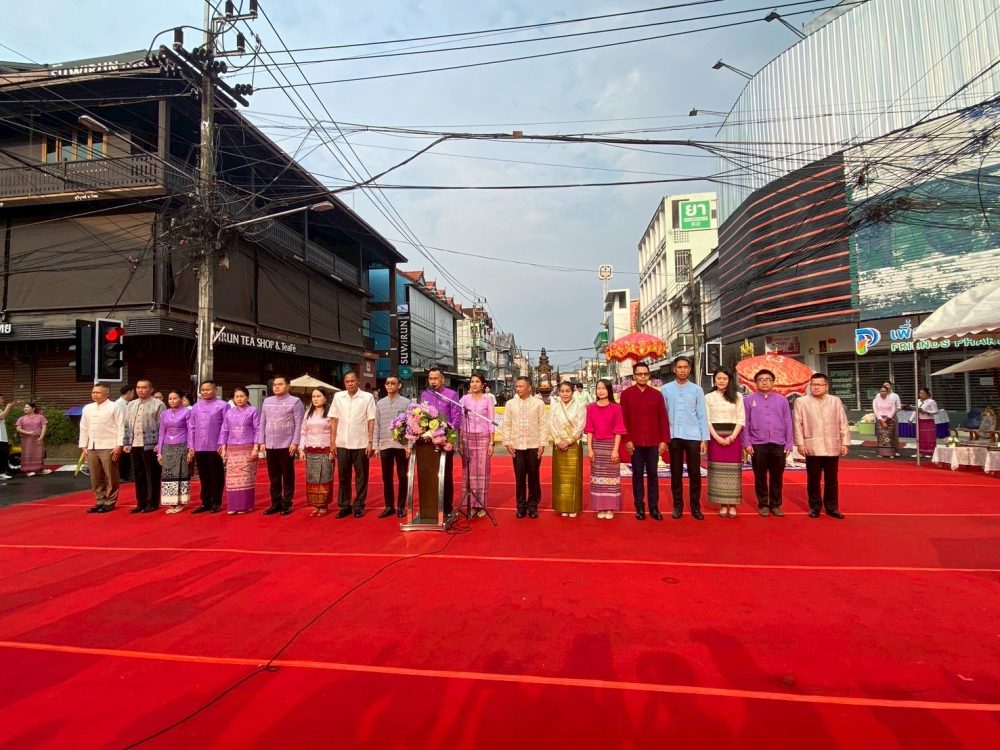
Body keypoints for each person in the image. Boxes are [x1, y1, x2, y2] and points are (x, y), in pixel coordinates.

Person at [794, 373, 850, 519]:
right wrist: (800, 443)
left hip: (832, 445)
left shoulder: (835, 401)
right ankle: (815, 506)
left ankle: (832, 507)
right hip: (812, 445)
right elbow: (797, 424)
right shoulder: (801, 402)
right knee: (813, 479)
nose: (816, 387)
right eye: (813, 385)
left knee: (832, 479)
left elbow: (843, 422)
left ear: (826, 386)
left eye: (819, 385)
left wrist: (845, 442)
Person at [619, 362, 670, 521]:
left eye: (645, 374)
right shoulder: (626, 394)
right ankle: (639, 507)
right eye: (639, 374)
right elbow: (623, 419)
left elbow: (663, 418)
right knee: (638, 474)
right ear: (634, 376)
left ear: (649, 375)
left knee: (653, 474)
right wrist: (627, 439)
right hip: (635, 442)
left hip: (654, 441)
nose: (643, 377)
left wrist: (664, 440)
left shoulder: (656, 395)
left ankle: (654, 507)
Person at [662, 356, 709, 521]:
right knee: (675, 472)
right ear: (674, 369)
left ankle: (695, 506)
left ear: (689, 369)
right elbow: (663, 415)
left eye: (685, 367)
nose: (682, 370)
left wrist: (704, 439)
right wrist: (663, 438)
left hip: (693, 435)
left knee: (695, 472)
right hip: (673, 435)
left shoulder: (697, 390)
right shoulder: (666, 389)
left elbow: (702, 415)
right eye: (679, 367)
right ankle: (678, 506)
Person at [742, 369, 794, 517]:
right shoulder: (748, 400)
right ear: (755, 383)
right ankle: (763, 504)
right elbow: (745, 423)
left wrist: (789, 443)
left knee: (777, 476)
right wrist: (747, 443)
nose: (764, 382)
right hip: (757, 443)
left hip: (778, 443)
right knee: (760, 476)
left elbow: (788, 422)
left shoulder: (782, 400)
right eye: (761, 379)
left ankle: (776, 504)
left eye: (768, 379)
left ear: (773, 382)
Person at [329, 371, 376, 518]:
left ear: (358, 381)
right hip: (342, 442)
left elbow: (371, 420)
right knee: (343, 476)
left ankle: (359, 505)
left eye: (352, 381)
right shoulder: (338, 396)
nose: (350, 383)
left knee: (361, 477)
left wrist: (370, 442)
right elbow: (334, 420)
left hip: (361, 443)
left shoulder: (367, 397)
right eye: (347, 381)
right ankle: (344, 505)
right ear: (344, 383)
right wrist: (332, 443)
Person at [500, 376, 548, 518]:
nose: (518, 389)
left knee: (533, 477)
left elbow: (543, 424)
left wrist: (542, 443)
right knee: (519, 478)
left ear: (529, 388)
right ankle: (521, 506)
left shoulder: (538, 403)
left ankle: (533, 506)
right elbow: (507, 424)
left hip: (534, 446)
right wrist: (507, 442)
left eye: (521, 386)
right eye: (517, 386)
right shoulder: (510, 404)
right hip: (517, 446)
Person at [257, 375, 305, 516]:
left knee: (287, 476)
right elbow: (262, 422)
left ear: (288, 386)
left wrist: (295, 442)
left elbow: (299, 424)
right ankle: (276, 503)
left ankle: (287, 503)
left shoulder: (295, 401)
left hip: (287, 445)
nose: (277, 387)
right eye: (274, 385)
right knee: (273, 477)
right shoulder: (267, 401)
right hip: (270, 445)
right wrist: (261, 441)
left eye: (280, 384)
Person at [421, 367, 462, 517]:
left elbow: (457, 417)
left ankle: (447, 508)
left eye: (435, 378)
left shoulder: (451, 395)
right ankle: (431, 507)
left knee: (445, 475)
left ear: (442, 379)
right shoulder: (425, 394)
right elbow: (421, 415)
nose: (433, 381)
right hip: (428, 442)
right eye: (430, 378)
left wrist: (450, 437)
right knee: (430, 475)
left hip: (445, 440)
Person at [704, 369, 745, 517]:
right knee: (718, 471)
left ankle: (732, 504)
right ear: (714, 379)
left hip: (733, 437)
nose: (721, 381)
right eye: (718, 378)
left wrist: (732, 437)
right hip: (715, 437)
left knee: (733, 471)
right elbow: (707, 420)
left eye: (724, 378)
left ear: (729, 380)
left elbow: (741, 418)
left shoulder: (738, 396)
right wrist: (716, 437)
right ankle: (722, 503)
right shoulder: (708, 397)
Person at [584, 379, 627, 519]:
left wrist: (615, 450)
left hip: (611, 445)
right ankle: (599, 507)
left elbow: (619, 430)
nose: (600, 391)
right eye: (598, 388)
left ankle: (610, 508)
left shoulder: (616, 408)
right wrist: (590, 449)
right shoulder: (590, 407)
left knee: (611, 478)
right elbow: (589, 429)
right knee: (597, 478)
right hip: (596, 446)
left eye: (603, 388)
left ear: (609, 390)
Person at [78, 384, 124, 513]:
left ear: (107, 394)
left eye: (98, 392)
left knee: (110, 474)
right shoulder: (88, 408)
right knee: (95, 475)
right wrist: (83, 446)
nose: (95, 394)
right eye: (93, 392)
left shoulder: (114, 406)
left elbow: (120, 426)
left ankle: (110, 501)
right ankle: (100, 500)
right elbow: (83, 427)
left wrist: (119, 445)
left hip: (109, 445)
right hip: (92, 445)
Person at [123, 380, 166, 513]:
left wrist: (160, 444)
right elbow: (126, 424)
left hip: (151, 444)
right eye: (138, 387)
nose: (140, 390)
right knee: (139, 474)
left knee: (152, 474)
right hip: (135, 443)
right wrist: (126, 442)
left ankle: (152, 502)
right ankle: (140, 502)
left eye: (144, 387)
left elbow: (163, 426)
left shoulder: (158, 404)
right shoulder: (131, 404)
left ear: (151, 389)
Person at [375, 375, 411, 518]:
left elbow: (411, 425)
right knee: (386, 477)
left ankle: (401, 506)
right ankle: (389, 506)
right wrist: (376, 445)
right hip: (385, 444)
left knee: (403, 476)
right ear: (385, 385)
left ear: (399, 385)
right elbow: (376, 425)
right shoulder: (380, 404)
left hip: (401, 445)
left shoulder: (406, 403)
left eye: (393, 383)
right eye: (388, 383)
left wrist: (409, 444)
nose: (390, 385)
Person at [459, 373, 496, 518]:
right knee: (468, 473)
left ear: (483, 384)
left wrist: (491, 443)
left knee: (482, 472)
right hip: (467, 438)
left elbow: (491, 421)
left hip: (483, 438)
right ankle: (471, 504)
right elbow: (461, 421)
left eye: (477, 382)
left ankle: (481, 505)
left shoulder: (488, 400)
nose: (474, 384)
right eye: (472, 381)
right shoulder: (464, 399)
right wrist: (460, 441)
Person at [189, 380, 228, 514]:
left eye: (208, 389)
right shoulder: (196, 406)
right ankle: (205, 502)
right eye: (203, 390)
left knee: (216, 475)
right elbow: (192, 427)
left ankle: (216, 502)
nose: (205, 392)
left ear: (215, 390)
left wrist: (222, 443)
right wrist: (191, 445)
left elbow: (226, 426)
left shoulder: (223, 405)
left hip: (215, 446)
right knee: (204, 476)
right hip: (199, 446)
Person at [548, 380, 586, 518]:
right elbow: (550, 423)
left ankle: (573, 507)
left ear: (572, 392)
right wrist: (558, 441)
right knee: (560, 477)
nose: (565, 394)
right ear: (559, 392)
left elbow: (580, 426)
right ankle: (562, 506)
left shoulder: (580, 407)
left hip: (574, 444)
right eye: (562, 391)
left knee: (574, 477)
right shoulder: (555, 407)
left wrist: (569, 441)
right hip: (558, 444)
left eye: (567, 391)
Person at [220, 386, 259, 515]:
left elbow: (258, 429)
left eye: (242, 396)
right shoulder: (229, 412)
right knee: (232, 479)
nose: (239, 399)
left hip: (248, 448)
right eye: (236, 396)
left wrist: (256, 447)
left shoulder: (253, 411)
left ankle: (245, 505)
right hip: (232, 448)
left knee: (246, 477)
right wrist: (223, 447)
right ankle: (233, 505)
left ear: (247, 397)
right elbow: (224, 430)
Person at [300, 388, 335, 517]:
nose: (315, 399)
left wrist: (333, 449)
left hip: (325, 450)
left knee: (325, 478)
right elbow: (303, 432)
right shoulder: (308, 414)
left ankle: (324, 505)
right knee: (313, 478)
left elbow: (334, 432)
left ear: (325, 398)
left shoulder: (331, 413)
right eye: (313, 396)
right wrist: (301, 449)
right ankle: (316, 505)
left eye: (318, 396)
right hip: (310, 450)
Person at [157, 390, 193, 514]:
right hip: (167, 447)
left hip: (182, 446)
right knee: (168, 474)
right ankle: (171, 502)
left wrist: (190, 448)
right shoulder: (165, 413)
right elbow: (161, 432)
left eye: (175, 398)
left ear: (181, 399)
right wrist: (159, 452)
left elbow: (191, 431)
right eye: (170, 399)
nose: (172, 401)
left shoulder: (187, 412)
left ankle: (180, 502)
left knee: (181, 473)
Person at [15, 402, 49, 476]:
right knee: (28, 453)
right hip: (26, 439)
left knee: (39, 453)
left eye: (27, 407)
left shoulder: (40, 417)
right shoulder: (21, 418)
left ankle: (40, 469)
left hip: (38, 438)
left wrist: (41, 437)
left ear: (33, 408)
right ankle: (28, 470)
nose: (25, 409)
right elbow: (18, 429)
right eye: (25, 407)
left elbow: (44, 427)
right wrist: (28, 433)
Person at [873, 384, 900, 458]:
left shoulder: (891, 400)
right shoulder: (876, 400)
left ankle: (891, 453)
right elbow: (875, 410)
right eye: (881, 391)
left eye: (884, 391)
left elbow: (893, 410)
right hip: (880, 419)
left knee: (890, 436)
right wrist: (881, 420)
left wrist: (887, 418)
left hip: (889, 419)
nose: (883, 392)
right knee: (881, 436)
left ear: (887, 392)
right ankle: (881, 452)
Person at [912, 388, 939, 458]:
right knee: (920, 437)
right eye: (920, 393)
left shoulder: (931, 402)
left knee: (928, 437)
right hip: (920, 420)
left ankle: (930, 452)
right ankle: (920, 452)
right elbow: (915, 411)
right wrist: (911, 419)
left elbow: (936, 411)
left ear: (927, 394)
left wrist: (927, 412)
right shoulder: (918, 401)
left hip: (928, 421)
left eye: (922, 393)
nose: (920, 395)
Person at [115, 385, 135, 481]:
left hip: (129, 432)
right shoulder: (118, 404)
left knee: (127, 456)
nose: (133, 395)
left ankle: (126, 474)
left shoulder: (129, 403)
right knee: (123, 456)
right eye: (133, 393)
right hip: (122, 432)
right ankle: (122, 476)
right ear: (128, 392)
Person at [0, 393, 14, 480]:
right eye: (1, 398)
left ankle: (2, 471)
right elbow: (1, 417)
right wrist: (8, 407)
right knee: (1, 454)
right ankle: (1, 473)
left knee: (4, 454)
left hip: (2, 436)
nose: (3, 400)